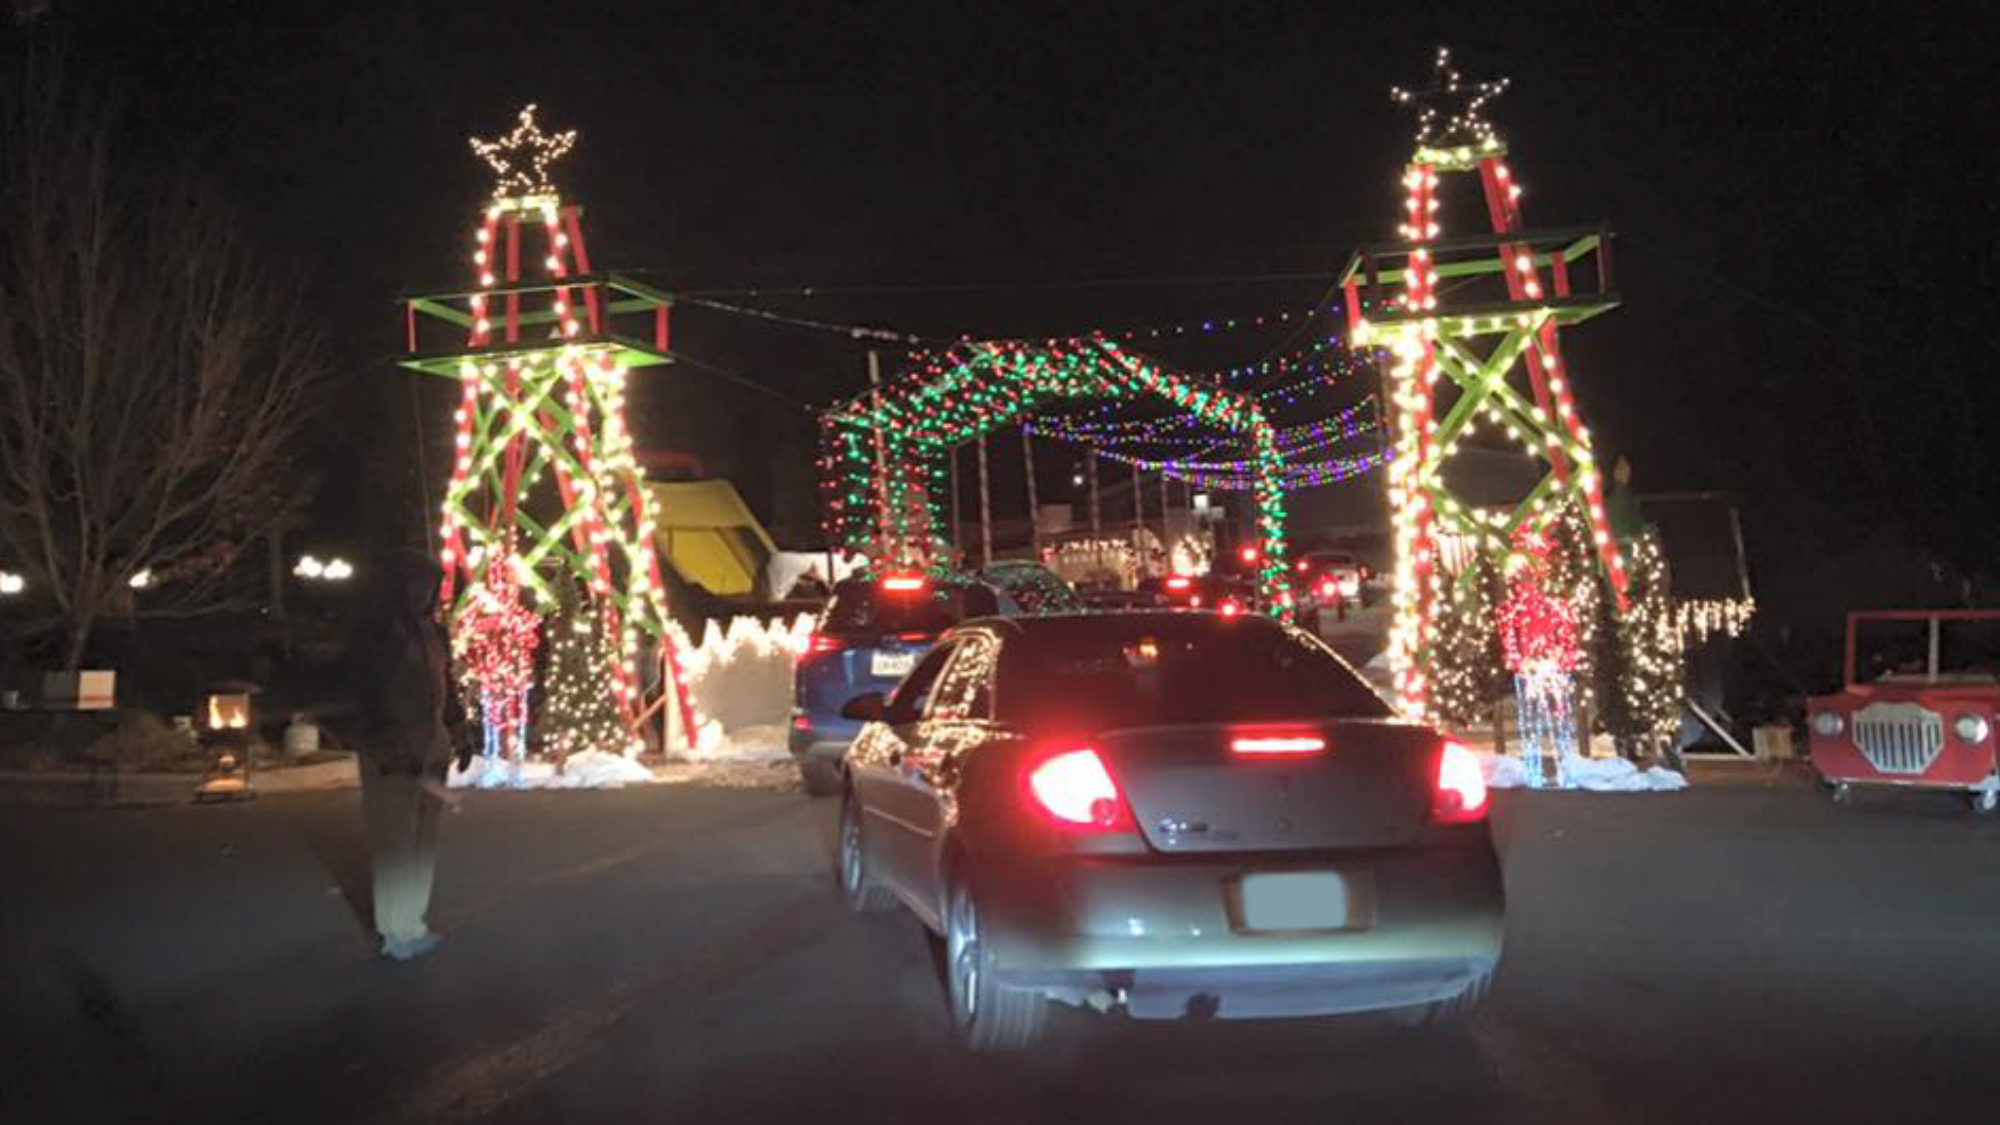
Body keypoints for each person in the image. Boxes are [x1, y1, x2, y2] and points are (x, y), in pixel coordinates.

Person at [350, 551, 467, 962]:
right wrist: (384, 743)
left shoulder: (434, 633)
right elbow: (363, 697)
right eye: (418, 584)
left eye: (430, 586)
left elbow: (445, 687)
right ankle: (395, 930)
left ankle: (413, 919)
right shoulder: (378, 635)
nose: (425, 593)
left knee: (423, 840)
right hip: (393, 753)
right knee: (394, 842)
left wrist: (459, 731)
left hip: (431, 746)